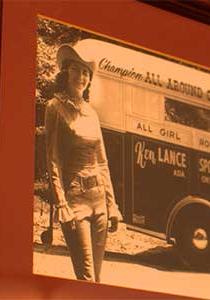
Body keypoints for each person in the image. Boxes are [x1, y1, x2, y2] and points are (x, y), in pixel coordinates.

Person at [45, 41, 122, 283]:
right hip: (75, 200)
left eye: (86, 72)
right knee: (86, 278)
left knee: (96, 282)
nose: (81, 76)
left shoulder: (92, 113)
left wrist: (112, 205)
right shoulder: (54, 108)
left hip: (99, 200)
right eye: (76, 69)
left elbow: (102, 161)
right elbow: (53, 160)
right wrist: (61, 203)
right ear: (66, 72)